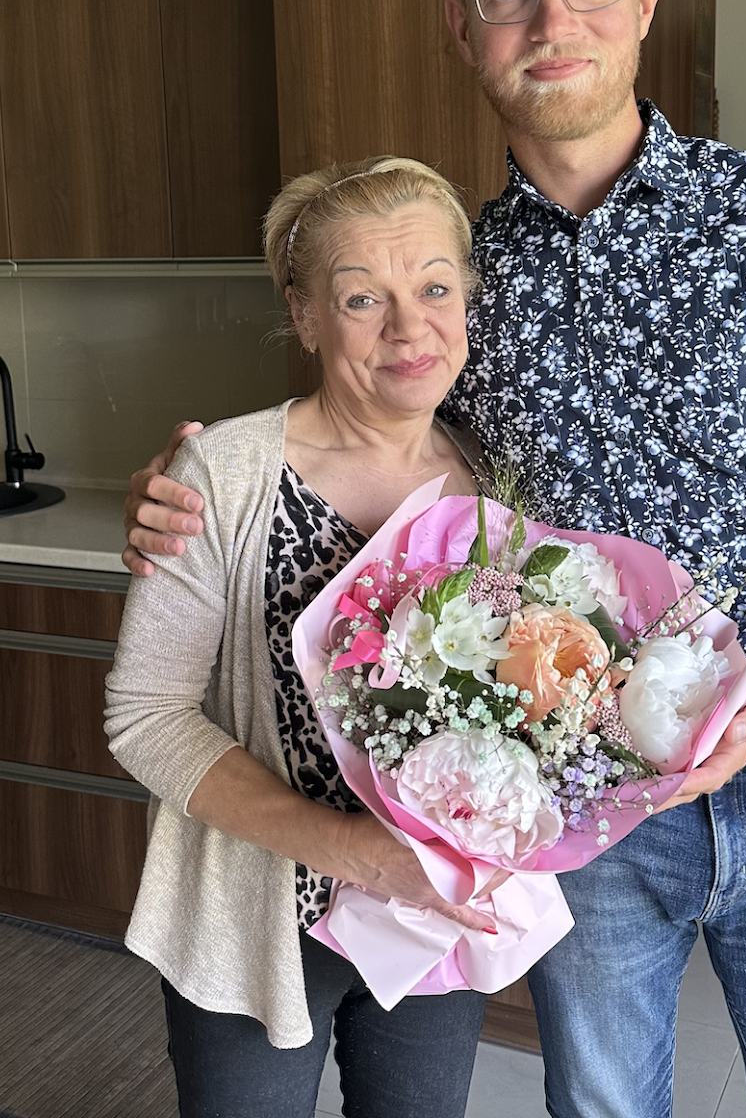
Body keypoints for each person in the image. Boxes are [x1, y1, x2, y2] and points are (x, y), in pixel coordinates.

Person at [124, 0, 746, 1118]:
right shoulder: (457, 279)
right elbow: (362, 426)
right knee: (601, 1107)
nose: (553, 19)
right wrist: (192, 489)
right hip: (574, 802)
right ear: (464, 27)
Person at [106, 158, 504, 1118]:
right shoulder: (225, 472)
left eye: (435, 287)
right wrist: (351, 851)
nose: (410, 327)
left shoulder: (497, 475)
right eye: (363, 298)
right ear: (307, 314)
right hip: (255, 917)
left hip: (433, 919)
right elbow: (143, 715)